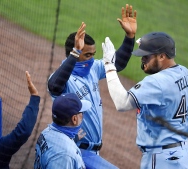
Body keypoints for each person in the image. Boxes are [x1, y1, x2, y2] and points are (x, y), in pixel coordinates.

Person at [47, 4, 137, 168]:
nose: (91, 59)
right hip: (76, 150)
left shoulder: (94, 68)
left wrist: (129, 37)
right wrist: (75, 53)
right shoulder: (63, 77)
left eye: (93, 55)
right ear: (74, 53)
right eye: (87, 54)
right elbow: (54, 86)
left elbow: (119, 64)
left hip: (94, 151)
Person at [103, 32, 188, 169]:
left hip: (164, 158)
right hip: (185, 153)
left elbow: (122, 103)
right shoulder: (185, 72)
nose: (142, 59)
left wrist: (109, 65)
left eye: (147, 56)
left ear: (162, 56)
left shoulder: (157, 82)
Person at [34, 93, 92, 169]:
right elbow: (61, 153)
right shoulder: (65, 155)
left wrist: (71, 140)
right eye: (81, 113)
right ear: (74, 119)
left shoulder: (46, 132)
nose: (83, 115)